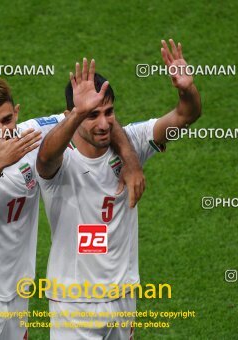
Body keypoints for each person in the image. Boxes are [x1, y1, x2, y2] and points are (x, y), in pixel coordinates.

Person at [0, 76, 145, 339]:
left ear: (16, 112)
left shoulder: (32, 134)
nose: (2, 130)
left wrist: (131, 161)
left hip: (16, 296)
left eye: (7, 120)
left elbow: (94, 117)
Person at [36, 39, 202, 340]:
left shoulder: (133, 142)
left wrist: (186, 89)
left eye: (108, 112)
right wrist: (76, 114)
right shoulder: (61, 159)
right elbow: (45, 159)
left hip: (124, 295)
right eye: (91, 115)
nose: (102, 123)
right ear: (72, 114)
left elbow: (184, 116)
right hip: (74, 302)